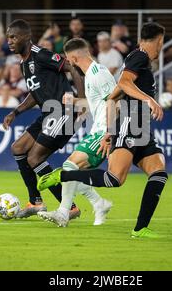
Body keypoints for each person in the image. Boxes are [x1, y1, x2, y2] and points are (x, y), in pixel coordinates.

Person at [38, 22, 169, 239]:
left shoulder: (126, 64)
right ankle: (65, 177)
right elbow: (123, 86)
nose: (161, 47)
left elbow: (113, 96)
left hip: (139, 125)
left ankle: (140, 228)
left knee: (159, 174)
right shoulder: (140, 56)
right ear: (158, 40)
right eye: (161, 43)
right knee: (114, 179)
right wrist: (148, 101)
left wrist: (108, 131)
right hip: (130, 122)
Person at [2, 19, 85, 219]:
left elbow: (73, 67)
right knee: (18, 148)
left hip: (62, 111)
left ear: (26, 37)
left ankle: (70, 207)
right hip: (49, 112)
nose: (10, 42)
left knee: (34, 158)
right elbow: (35, 92)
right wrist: (16, 112)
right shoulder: (24, 62)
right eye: (8, 38)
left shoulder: (41, 55)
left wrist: (81, 100)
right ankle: (35, 202)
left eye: (13, 37)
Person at [37, 38, 115, 227]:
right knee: (73, 172)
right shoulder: (90, 75)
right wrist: (76, 103)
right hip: (99, 130)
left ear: (72, 58)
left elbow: (115, 102)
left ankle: (64, 213)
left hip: (103, 132)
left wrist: (110, 134)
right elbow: (97, 104)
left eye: (68, 60)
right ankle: (99, 203)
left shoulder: (98, 73)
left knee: (69, 166)